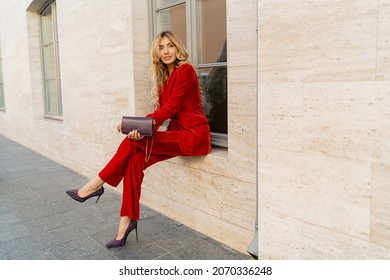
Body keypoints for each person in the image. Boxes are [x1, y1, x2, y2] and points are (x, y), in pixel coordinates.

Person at [66, 31, 211, 248]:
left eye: (170, 46)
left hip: (193, 135)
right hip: (176, 134)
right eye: (161, 48)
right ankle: (126, 222)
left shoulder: (186, 70)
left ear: (177, 48)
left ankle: (95, 184)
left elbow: (172, 108)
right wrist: (138, 128)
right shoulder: (165, 78)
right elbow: (162, 113)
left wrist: (133, 126)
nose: (166, 51)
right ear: (157, 53)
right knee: (133, 161)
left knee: (132, 141)